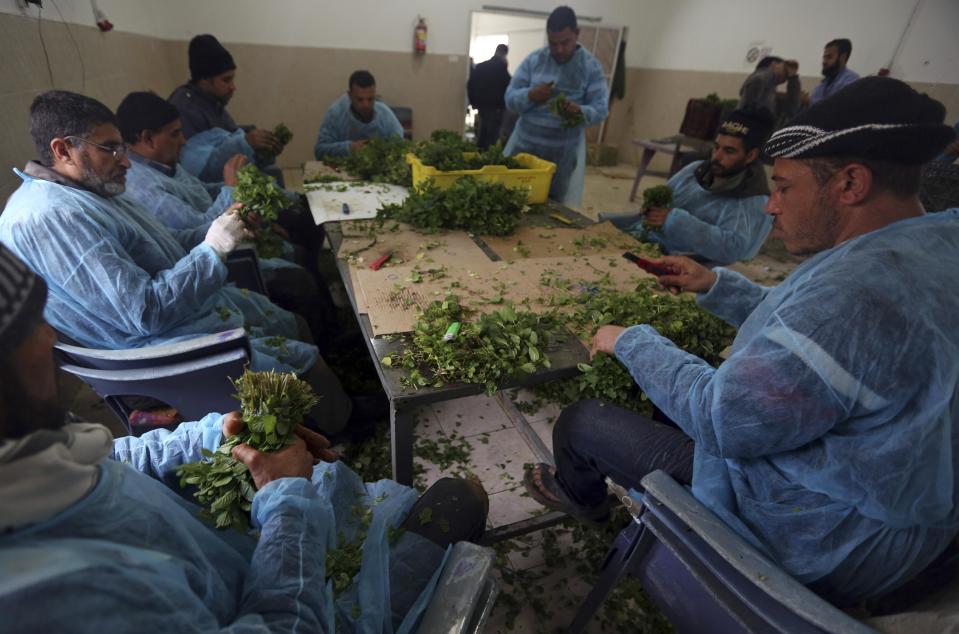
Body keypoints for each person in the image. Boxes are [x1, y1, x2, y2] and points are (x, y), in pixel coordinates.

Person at [524, 77, 959, 608]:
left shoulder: (857, 294)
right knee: (670, 392)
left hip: (817, 537)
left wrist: (631, 340)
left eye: (784, 187)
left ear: (851, 184)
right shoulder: (932, 242)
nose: (771, 206)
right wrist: (715, 284)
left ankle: (582, 502)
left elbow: (723, 417)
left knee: (583, 420)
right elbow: (824, 343)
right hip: (902, 519)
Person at [0, 242, 490, 632]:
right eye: (32, 329)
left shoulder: (24, 446)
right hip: (301, 608)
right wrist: (287, 502)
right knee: (462, 497)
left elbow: (110, 458)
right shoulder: (45, 595)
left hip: (238, 560)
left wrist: (215, 434)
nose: (52, 339)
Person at [0, 90, 351, 435]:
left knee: (295, 328)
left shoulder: (92, 192)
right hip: (155, 353)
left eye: (122, 146)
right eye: (110, 148)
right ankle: (338, 438)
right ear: (63, 150)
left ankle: (337, 414)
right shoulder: (51, 217)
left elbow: (166, 245)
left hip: (180, 320)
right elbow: (144, 311)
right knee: (301, 364)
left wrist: (219, 229)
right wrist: (213, 248)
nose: (125, 161)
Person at [116, 91, 338, 348]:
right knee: (299, 281)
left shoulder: (163, 165)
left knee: (299, 250)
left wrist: (238, 200)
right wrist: (231, 188)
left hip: (230, 246)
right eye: (175, 134)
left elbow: (203, 190)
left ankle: (331, 330)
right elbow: (198, 232)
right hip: (218, 264)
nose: (184, 141)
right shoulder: (142, 186)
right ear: (147, 138)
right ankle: (327, 348)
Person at [602, 107, 775, 265]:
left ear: (751, 155)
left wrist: (675, 221)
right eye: (716, 147)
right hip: (646, 246)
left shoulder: (753, 200)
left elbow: (733, 249)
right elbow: (665, 199)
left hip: (686, 268)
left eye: (729, 151)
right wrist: (651, 208)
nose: (717, 156)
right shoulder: (695, 170)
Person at [503, 6, 609, 207]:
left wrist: (581, 111)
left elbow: (601, 108)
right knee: (512, 200)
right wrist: (530, 95)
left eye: (565, 42)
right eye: (553, 43)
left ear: (577, 34)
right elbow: (510, 98)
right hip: (524, 150)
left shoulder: (590, 66)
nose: (559, 49)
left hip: (561, 157)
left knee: (553, 207)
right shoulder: (534, 60)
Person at [169, 33, 282, 178]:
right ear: (205, 80)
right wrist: (246, 143)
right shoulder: (186, 109)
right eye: (226, 80)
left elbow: (229, 135)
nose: (233, 87)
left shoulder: (212, 101)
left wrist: (262, 149)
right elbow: (204, 170)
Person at [313, 70, 405, 159]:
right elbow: (320, 151)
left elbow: (400, 145)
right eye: (360, 99)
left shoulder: (385, 114)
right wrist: (349, 148)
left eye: (370, 99)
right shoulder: (335, 113)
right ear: (350, 95)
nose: (366, 105)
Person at [468, 44, 512, 149]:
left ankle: (478, 159)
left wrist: (473, 103)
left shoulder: (481, 67)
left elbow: (470, 85)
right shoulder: (502, 69)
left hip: (481, 107)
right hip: (496, 109)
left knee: (481, 135)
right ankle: (487, 162)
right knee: (491, 141)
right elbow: (510, 88)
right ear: (505, 54)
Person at [738, 55, 801, 124]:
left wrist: (793, 77)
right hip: (750, 127)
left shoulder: (769, 87)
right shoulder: (762, 78)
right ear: (773, 64)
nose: (786, 75)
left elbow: (792, 107)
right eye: (785, 69)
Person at [809, 39, 860, 105]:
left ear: (843, 57)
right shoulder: (823, 84)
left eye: (829, 57)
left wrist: (809, 101)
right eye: (824, 57)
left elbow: (836, 106)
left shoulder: (851, 80)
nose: (824, 61)